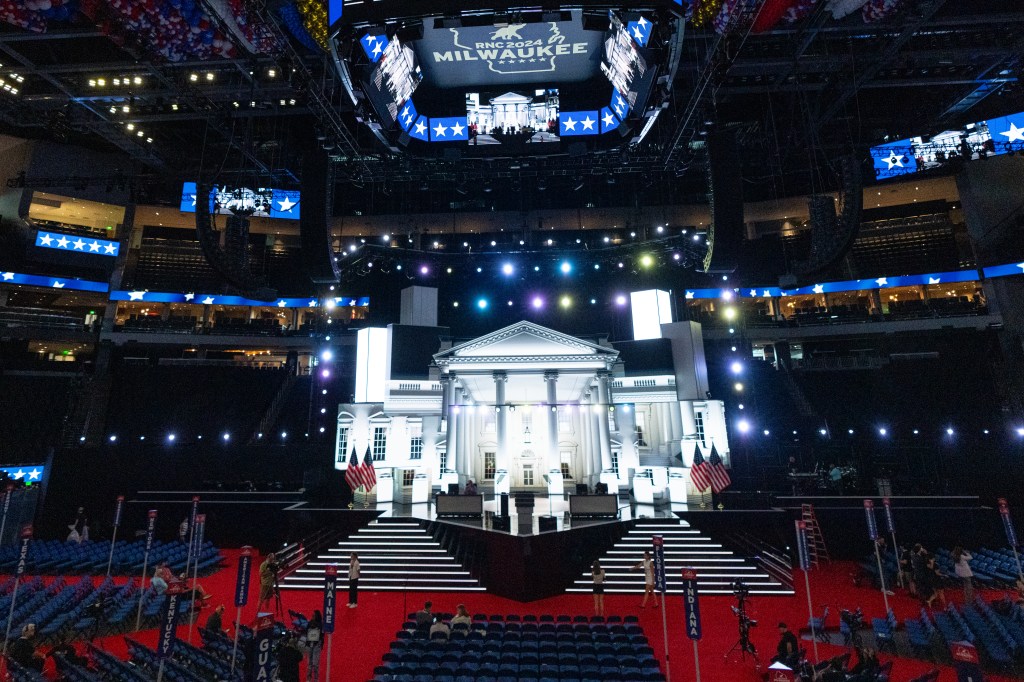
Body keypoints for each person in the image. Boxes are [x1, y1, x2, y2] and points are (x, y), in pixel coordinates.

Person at [305, 610, 323, 682]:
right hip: (310, 644)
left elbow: (322, 636)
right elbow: (306, 632)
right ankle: (308, 679)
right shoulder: (310, 623)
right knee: (309, 664)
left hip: (316, 645)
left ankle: (316, 679)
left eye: (313, 616)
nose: (312, 617)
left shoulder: (320, 625)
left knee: (315, 664)